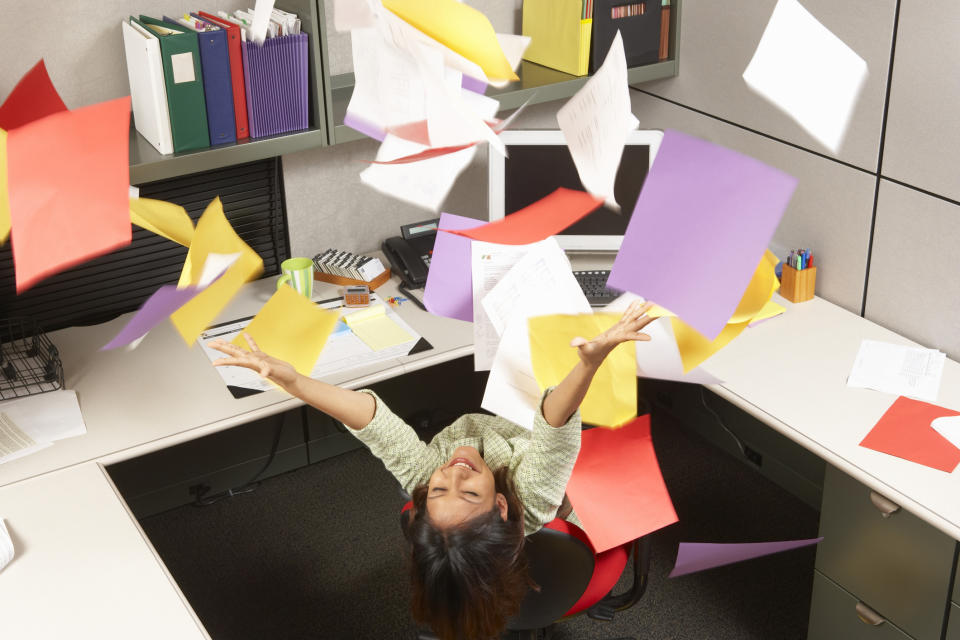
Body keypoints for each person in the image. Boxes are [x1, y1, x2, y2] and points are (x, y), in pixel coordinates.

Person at [209, 299, 654, 640]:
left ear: (422, 501)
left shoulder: (426, 478)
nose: (454, 473)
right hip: (535, 447)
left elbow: (373, 422)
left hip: (504, 427)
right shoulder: (531, 494)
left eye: (440, 491)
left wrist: (294, 382)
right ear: (502, 504)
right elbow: (555, 428)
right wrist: (588, 364)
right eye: (470, 493)